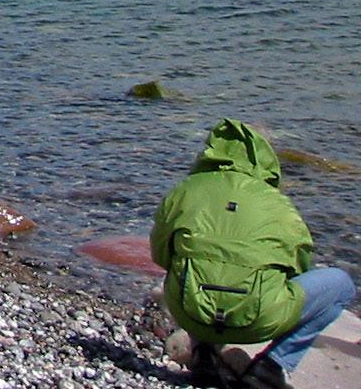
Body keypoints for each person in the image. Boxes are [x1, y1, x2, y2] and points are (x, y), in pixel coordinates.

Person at [150, 118, 355, 388]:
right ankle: (273, 366)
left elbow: (160, 254)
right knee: (342, 286)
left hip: (191, 312)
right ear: (265, 157)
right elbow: (300, 266)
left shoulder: (185, 191)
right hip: (256, 321)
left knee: (191, 267)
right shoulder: (278, 205)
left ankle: (204, 354)